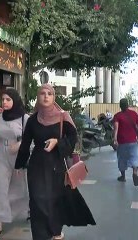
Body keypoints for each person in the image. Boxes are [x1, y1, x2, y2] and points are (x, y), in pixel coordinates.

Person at [15, 84, 95, 240]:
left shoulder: (63, 117)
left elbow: (73, 139)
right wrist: (19, 165)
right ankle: (40, 236)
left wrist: (57, 142)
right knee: (37, 201)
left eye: (49, 94)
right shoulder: (32, 120)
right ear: (38, 97)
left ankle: (55, 231)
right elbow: (25, 145)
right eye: (42, 93)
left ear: (54, 98)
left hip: (56, 165)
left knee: (53, 201)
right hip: (37, 165)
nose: (46, 96)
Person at [0, 89, 29, 239]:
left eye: (8, 99)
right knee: (1, 189)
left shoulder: (25, 118)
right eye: (3, 99)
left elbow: (32, 139)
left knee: (19, 187)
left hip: (18, 156)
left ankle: (26, 210)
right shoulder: (0, 117)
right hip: (1, 156)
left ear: (15, 100)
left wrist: (20, 144)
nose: (4, 102)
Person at [113, 98, 138, 186]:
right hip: (133, 140)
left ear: (120, 106)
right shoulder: (134, 114)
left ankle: (123, 177)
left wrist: (115, 139)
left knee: (122, 158)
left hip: (122, 141)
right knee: (134, 157)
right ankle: (135, 173)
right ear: (128, 104)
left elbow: (116, 128)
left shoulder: (117, 116)